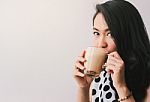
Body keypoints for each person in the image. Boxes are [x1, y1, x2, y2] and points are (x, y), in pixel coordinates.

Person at [73, 0, 150, 102]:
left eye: (110, 34)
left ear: (129, 36)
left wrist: (121, 86)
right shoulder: (101, 74)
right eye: (96, 33)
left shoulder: (146, 76)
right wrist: (84, 87)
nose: (101, 44)